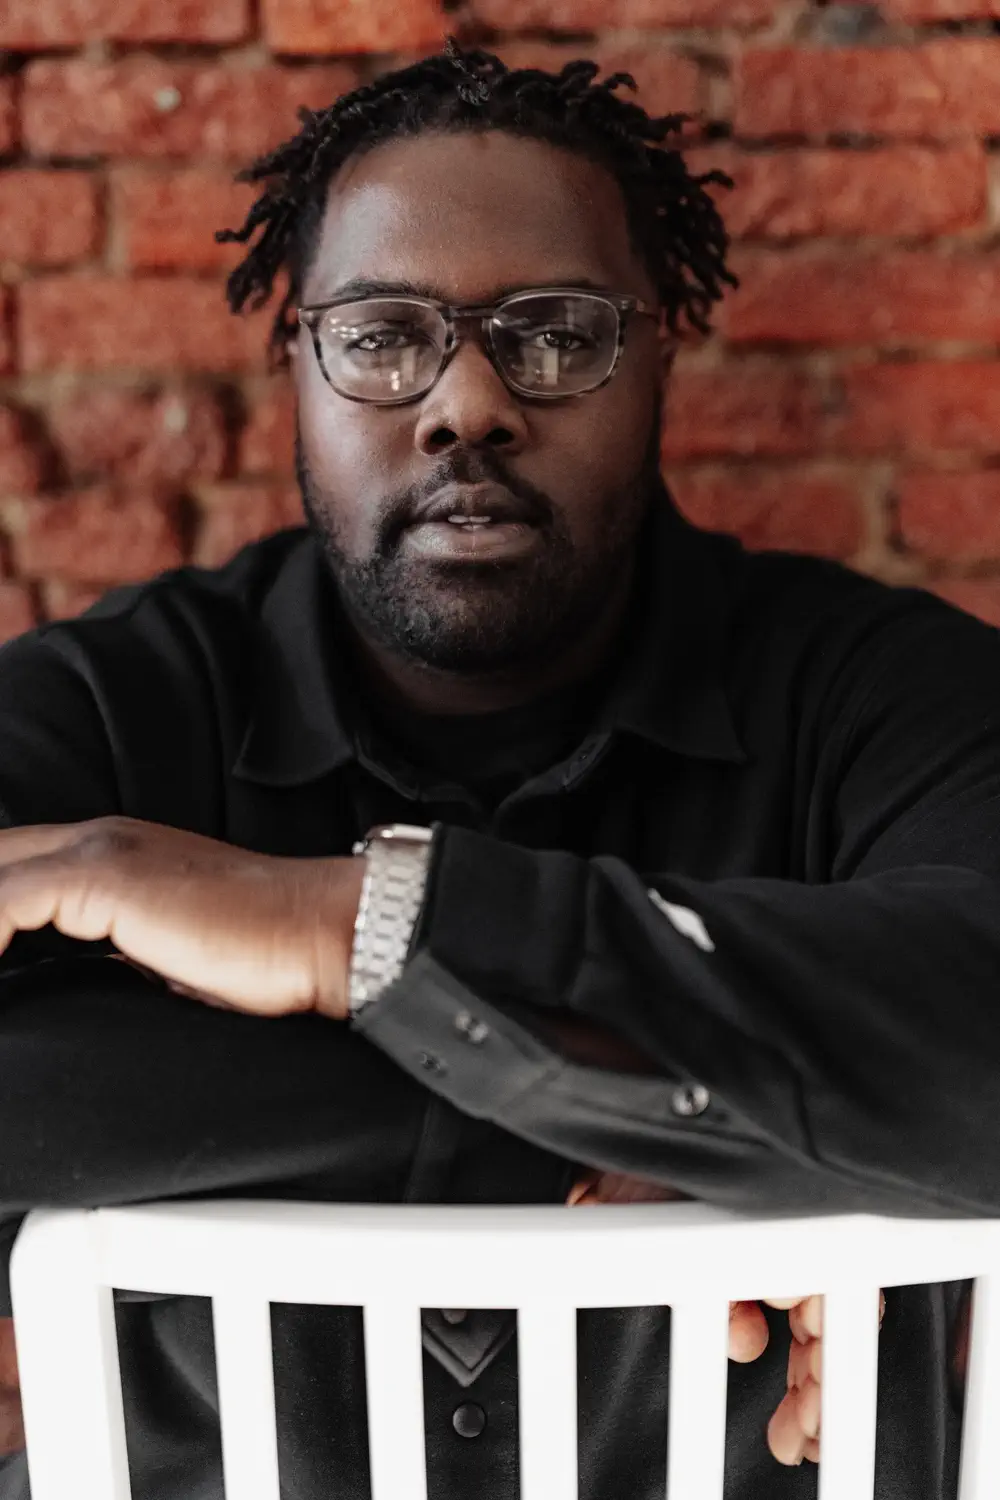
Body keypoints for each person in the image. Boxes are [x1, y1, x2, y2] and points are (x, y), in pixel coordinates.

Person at [0, 38, 993, 1500]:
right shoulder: (100, 718)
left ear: (660, 348)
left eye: (556, 330)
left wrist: (354, 933)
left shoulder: (880, 692)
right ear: (296, 361)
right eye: (385, 334)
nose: (468, 404)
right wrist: (745, 1112)